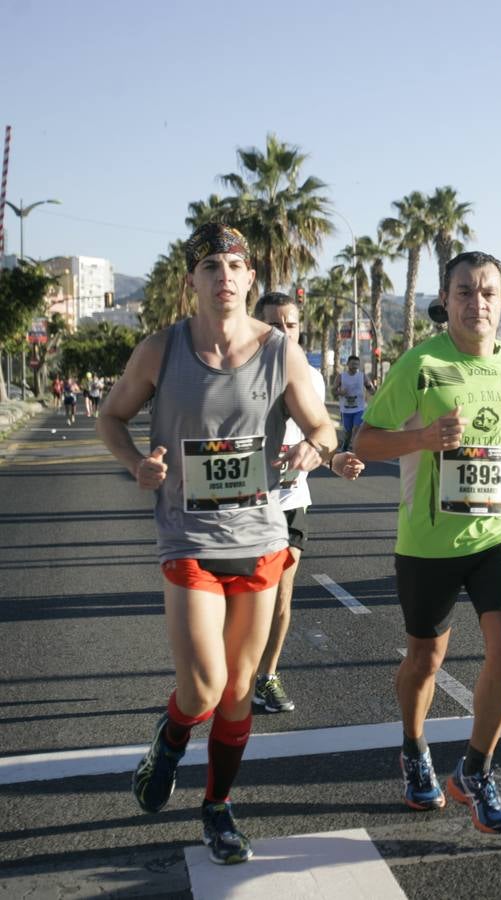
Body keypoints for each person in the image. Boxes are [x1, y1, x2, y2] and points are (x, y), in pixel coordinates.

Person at [96, 223, 336, 865]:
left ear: (250, 278)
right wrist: (135, 464)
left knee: (237, 692)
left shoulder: (280, 351)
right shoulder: (160, 349)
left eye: (234, 265)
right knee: (203, 688)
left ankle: (218, 808)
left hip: (261, 537)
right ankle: (171, 738)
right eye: (210, 266)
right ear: (191, 282)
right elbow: (111, 416)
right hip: (189, 538)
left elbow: (324, 426)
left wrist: (314, 450)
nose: (224, 276)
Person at [355, 250, 501, 833]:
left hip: (499, 531)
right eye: (465, 291)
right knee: (425, 659)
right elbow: (364, 441)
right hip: (429, 542)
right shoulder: (421, 364)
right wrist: (425, 439)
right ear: (446, 299)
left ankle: (476, 770)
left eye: (487, 292)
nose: (476, 303)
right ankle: (414, 748)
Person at [251, 293, 366, 714]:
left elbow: (318, 434)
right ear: (257, 327)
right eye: (274, 325)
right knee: (242, 598)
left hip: (291, 498)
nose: (283, 332)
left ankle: (267, 676)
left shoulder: (312, 378)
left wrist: (333, 460)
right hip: (244, 503)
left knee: (281, 595)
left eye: (291, 325)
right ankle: (227, 674)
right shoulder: (237, 373)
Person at [333, 355, 375, 452]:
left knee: (357, 428)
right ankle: (345, 447)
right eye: (353, 364)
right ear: (348, 364)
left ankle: (355, 449)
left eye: (357, 364)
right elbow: (333, 390)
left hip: (359, 408)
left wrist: (371, 389)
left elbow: (370, 388)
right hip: (346, 409)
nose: (355, 366)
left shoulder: (362, 376)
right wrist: (340, 392)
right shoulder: (341, 376)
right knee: (348, 432)